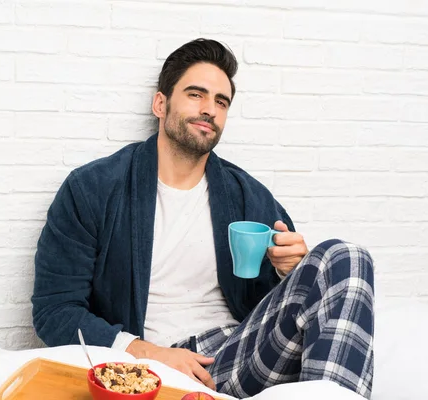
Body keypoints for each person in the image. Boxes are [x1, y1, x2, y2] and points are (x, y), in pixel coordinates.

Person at [31, 38, 375, 399]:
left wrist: (289, 270)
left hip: (236, 352)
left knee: (346, 257)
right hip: (155, 365)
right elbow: (55, 310)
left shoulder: (246, 195)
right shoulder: (94, 188)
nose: (209, 109)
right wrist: (150, 355)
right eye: (196, 94)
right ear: (160, 104)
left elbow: (286, 309)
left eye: (221, 101)